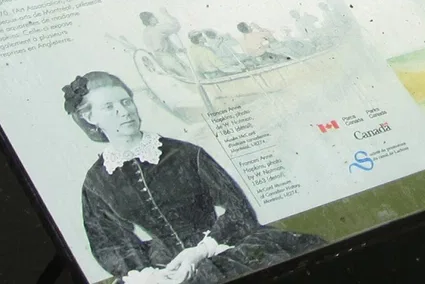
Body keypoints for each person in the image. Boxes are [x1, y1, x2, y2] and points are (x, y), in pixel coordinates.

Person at [63, 71, 323, 282]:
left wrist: (201, 251)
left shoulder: (184, 154)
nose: (124, 111)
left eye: (126, 101)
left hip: (221, 250)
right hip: (161, 270)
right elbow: (108, 240)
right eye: (109, 107)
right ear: (89, 117)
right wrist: (147, 274)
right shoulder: (97, 181)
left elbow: (238, 210)